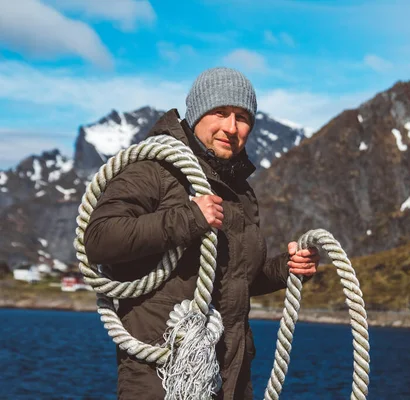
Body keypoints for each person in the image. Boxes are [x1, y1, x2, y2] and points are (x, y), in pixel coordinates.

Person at [83, 67, 321, 400]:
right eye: (220, 113)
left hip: (230, 376)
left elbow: (234, 280)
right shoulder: (155, 167)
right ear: (197, 114)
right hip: (162, 377)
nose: (231, 127)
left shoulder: (240, 191)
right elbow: (99, 239)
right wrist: (190, 218)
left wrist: (286, 269)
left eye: (242, 117)